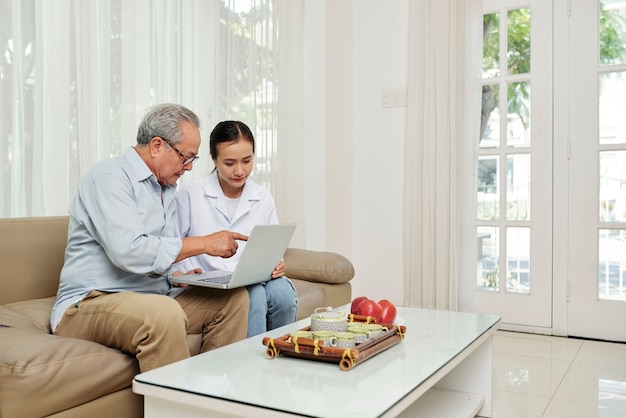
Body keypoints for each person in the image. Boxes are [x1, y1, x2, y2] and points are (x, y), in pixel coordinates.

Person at [50, 103, 250, 373]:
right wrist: (205, 243)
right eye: (186, 158)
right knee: (162, 313)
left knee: (232, 300)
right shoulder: (110, 178)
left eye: (193, 160)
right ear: (157, 146)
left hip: (151, 297)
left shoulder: (165, 188)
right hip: (88, 303)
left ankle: (216, 401)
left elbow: (159, 252)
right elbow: (129, 251)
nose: (189, 168)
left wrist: (178, 276)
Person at [171, 120, 297, 337]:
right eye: (229, 163)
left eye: (247, 161)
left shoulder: (262, 197)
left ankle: (281, 357)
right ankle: (252, 366)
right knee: (254, 294)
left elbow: (271, 246)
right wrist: (179, 274)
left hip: (252, 276)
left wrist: (277, 264)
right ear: (213, 159)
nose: (240, 171)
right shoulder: (190, 194)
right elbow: (171, 243)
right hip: (209, 281)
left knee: (283, 294)